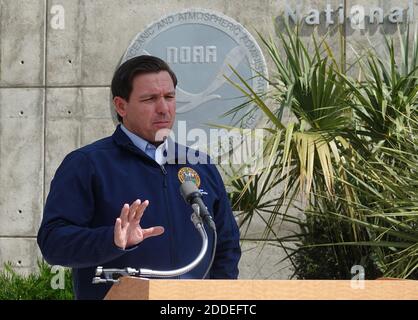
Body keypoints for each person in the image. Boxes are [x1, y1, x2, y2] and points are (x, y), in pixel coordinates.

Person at [37, 55, 241, 300]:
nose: (163, 108)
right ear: (121, 106)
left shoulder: (201, 165)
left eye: (169, 97)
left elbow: (226, 245)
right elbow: (53, 243)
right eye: (150, 99)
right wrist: (111, 240)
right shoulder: (87, 164)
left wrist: (215, 298)